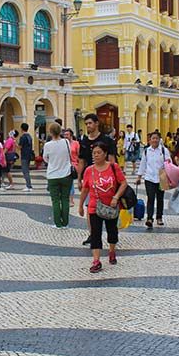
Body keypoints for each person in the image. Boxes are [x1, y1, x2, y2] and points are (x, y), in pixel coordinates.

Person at [79, 141, 127, 273]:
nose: (96, 155)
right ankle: (96, 260)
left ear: (105, 153)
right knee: (95, 233)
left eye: (99, 152)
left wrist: (116, 197)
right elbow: (85, 189)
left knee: (112, 232)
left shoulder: (113, 167)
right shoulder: (89, 170)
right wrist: (81, 205)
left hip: (111, 205)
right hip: (94, 206)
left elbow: (123, 183)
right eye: (94, 153)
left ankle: (112, 251)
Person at [78, 113, 117, 246]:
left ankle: (111, 233)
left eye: (90, 123)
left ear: (96, 123)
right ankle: (92, 234)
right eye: (86, 124)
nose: (88, 126)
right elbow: (81, 161)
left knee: (108, 206)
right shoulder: (84, 141)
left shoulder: (107, 141)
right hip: (89, 178)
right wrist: (79, 179)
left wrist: (115, 178)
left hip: (106, 179)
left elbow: (112, 160)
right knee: (90, 208)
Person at [136, 131, 171, 229]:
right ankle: (149, 218)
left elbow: (169, 163)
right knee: (150, 198)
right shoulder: (147, 151)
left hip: (161, 177)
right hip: (149, 178)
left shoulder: (164, 150)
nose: (155, 140)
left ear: (160, 140)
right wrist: (139, 176)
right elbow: (143, 164)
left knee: (160, 198)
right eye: (153, 138)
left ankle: (159, 217)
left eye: (156, 138)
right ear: (150, 140)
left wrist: (168, 167)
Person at [43, 123, 73, 229]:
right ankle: (65, 223)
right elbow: (70, 155)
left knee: (55, 200)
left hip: (53, 175)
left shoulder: (47, 145)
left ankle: (57, 223)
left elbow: (45, 158)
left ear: (50, 132)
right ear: (60, 131)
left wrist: (52, 161)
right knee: (65, 199)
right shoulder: (66, 142)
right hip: (66, 174)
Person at [64, 129, 80, 207]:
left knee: (70, 183)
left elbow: (79, 155)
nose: (66, 136)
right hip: (64, 165)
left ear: (71, 135)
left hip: (73, 165)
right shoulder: (63, 144)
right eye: (65, 135)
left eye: (67, 134)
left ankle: (71, 200)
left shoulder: (76, 143)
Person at [19, 123, 34, 192]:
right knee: (27, 171)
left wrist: (14, 143)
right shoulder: (29, 136)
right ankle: (29, 185)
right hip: (29, 155)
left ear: (21, 128)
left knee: (25, 171)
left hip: (24, 155)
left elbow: (20, 147)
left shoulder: (22, 137)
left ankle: (28, 186)